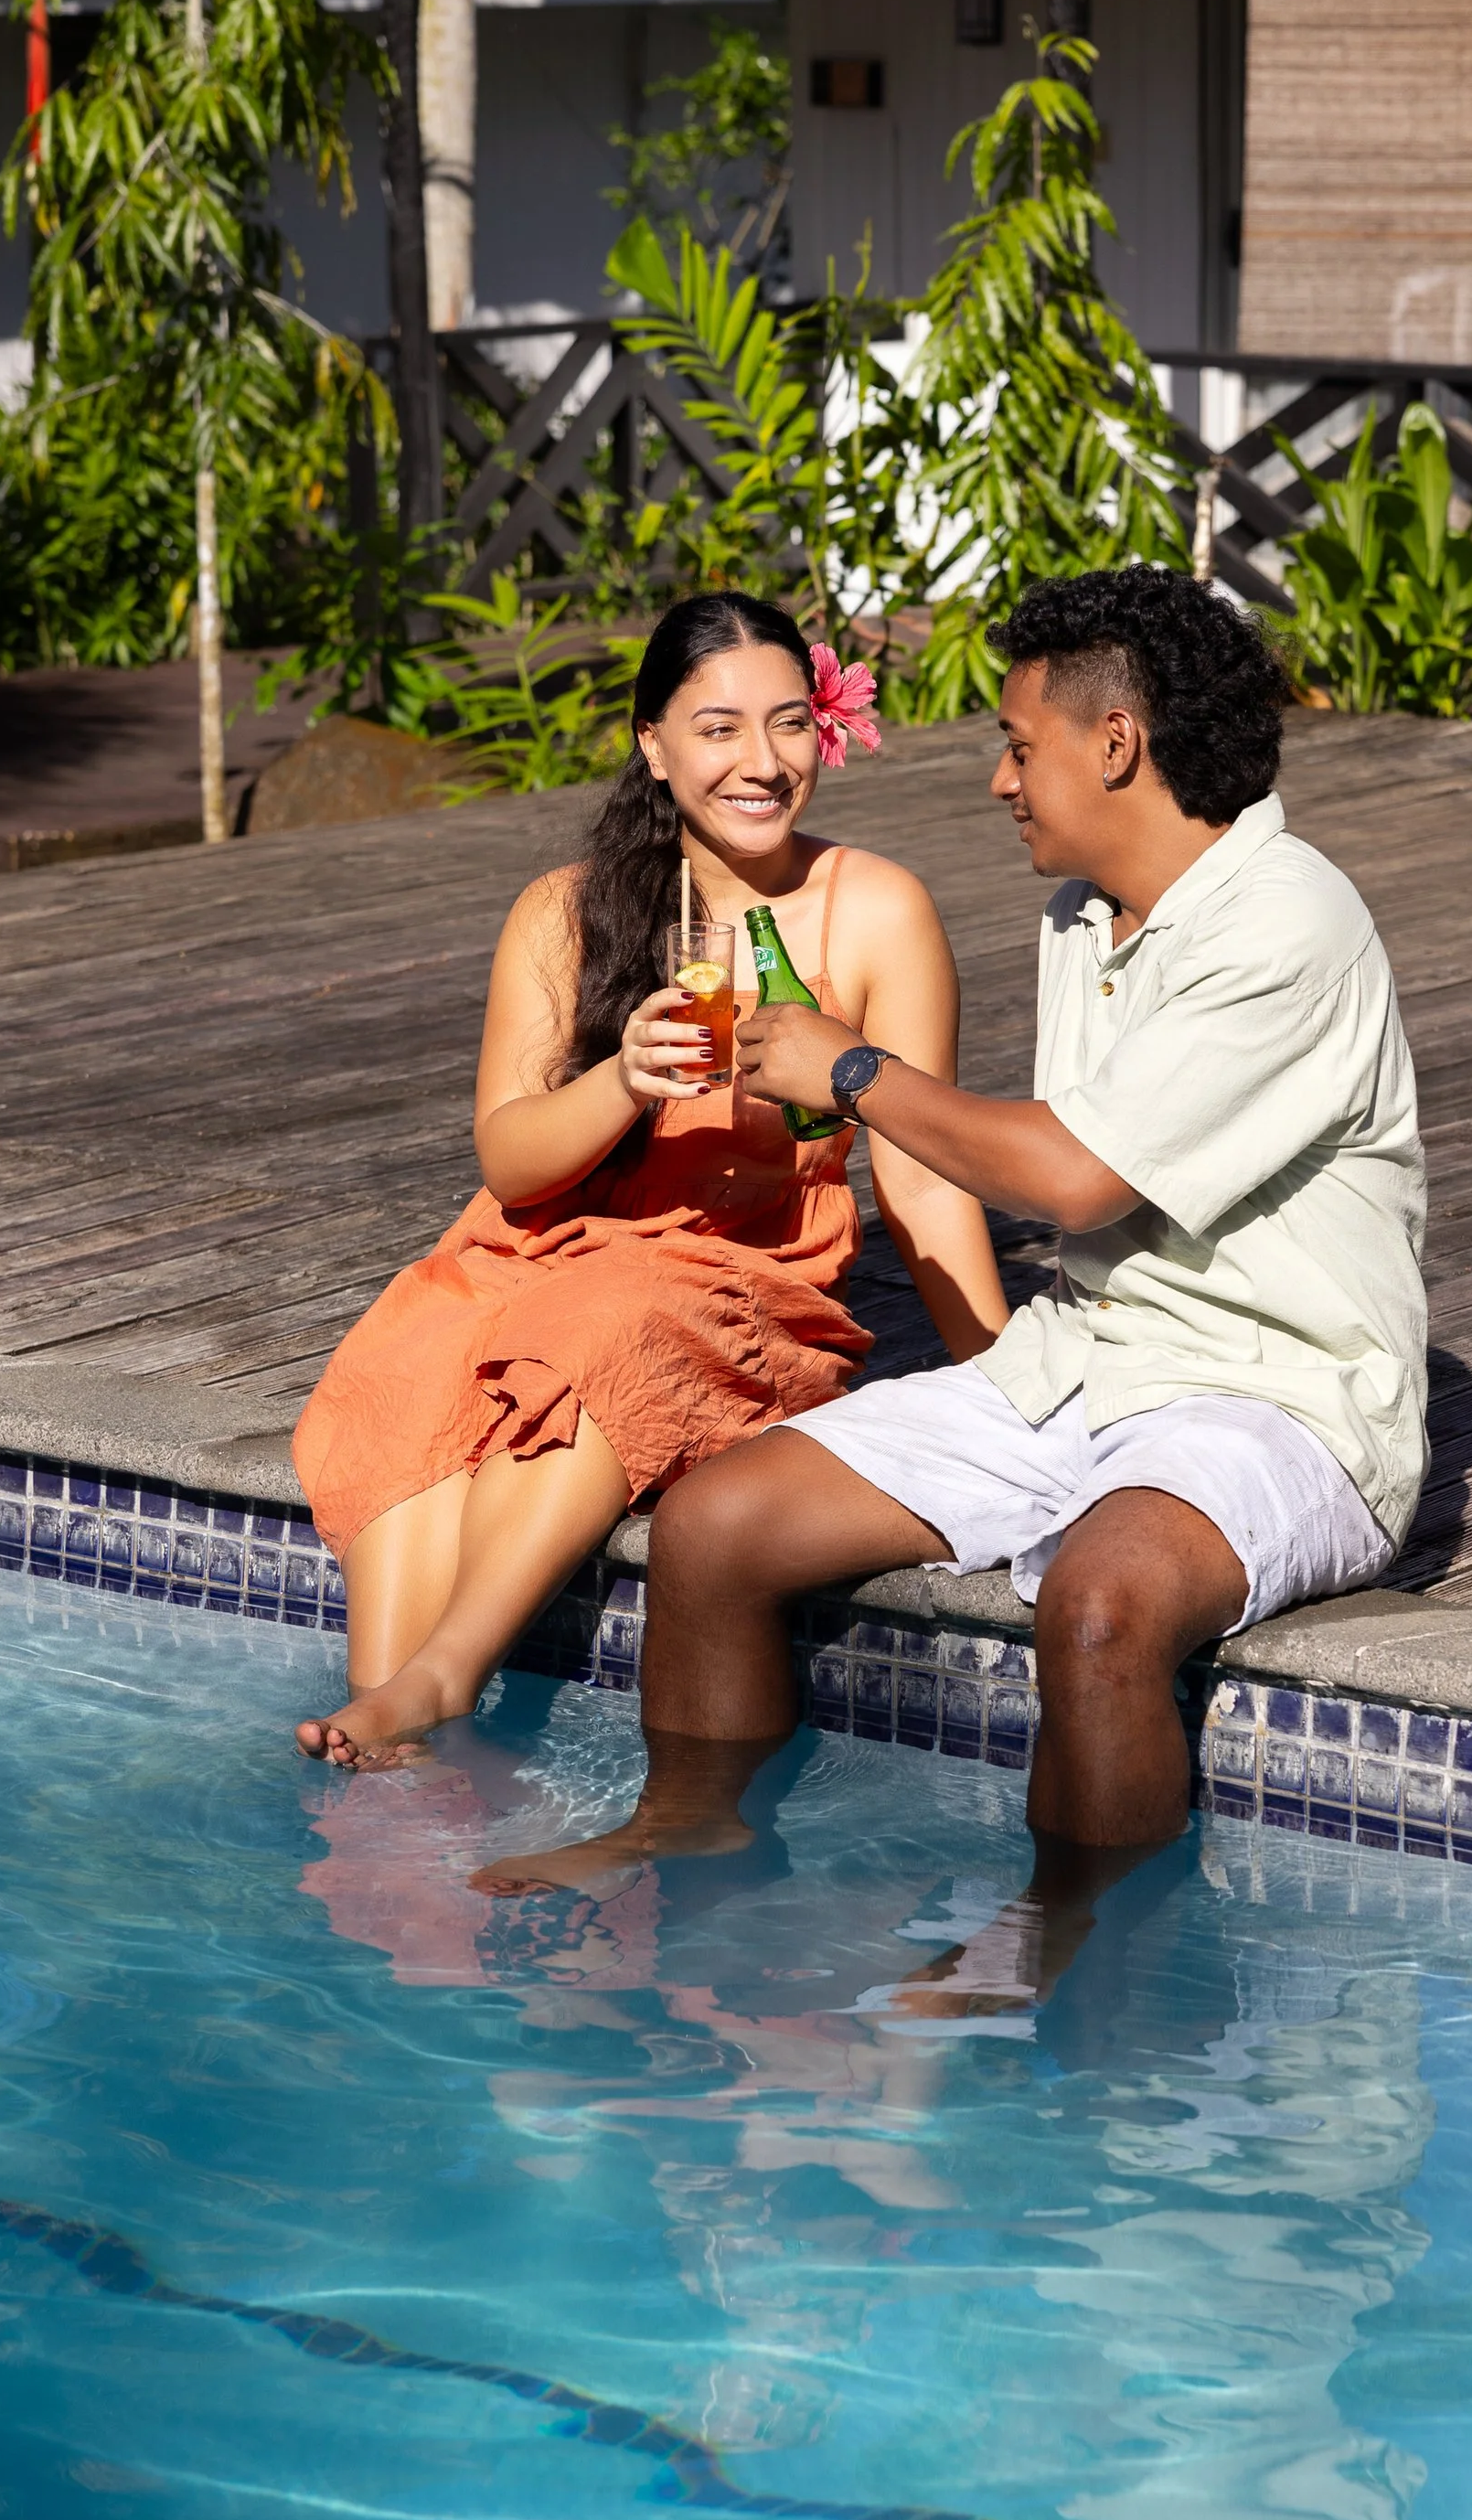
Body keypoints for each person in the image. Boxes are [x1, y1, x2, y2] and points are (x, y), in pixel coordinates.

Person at [485, 566, 1427, 1879]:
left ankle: (1079, 1961)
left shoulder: (1286, 923)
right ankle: (688, 1848)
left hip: (1290, 1403)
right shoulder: (1086, 916)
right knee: (716, 1528)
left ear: (1117, 745)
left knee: (1100, 1606)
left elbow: (1076, 1179)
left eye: (1017, 745)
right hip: (1093, 1364)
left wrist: (854, 1073)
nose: (998, 779)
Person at [291, 591, 1008, 1768]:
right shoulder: (566, 913)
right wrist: (624, 1079)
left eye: (788, 725)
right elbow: (509, 1160)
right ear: (655, 746)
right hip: (538, 1244)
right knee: (413, 1361)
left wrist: (1004, 1386)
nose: (763, 763)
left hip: (735, 1273)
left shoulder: (875, 910)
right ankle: (389, 1725)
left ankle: (442, 1680)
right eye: (719, 729)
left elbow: (926, 1181)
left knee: (605, 1323)